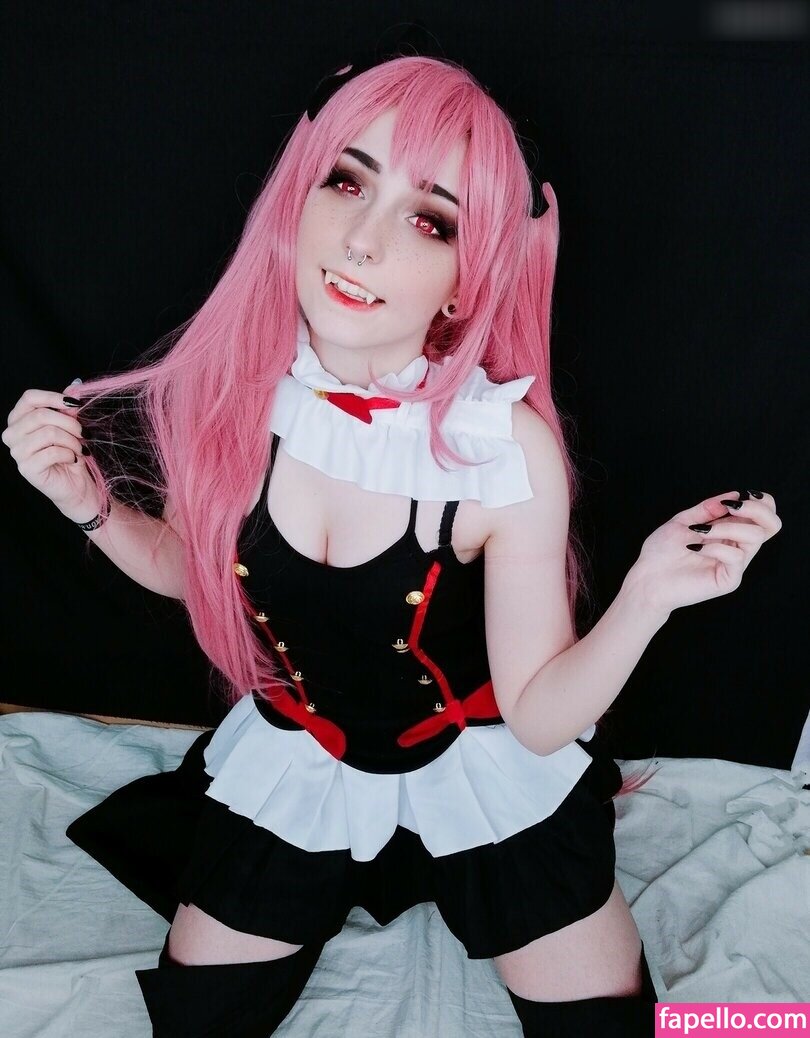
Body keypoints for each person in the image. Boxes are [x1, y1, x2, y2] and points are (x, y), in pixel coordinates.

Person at [2, 54, 781, 1037]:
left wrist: (647, 596)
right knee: (198, 1021)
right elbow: (186, 571)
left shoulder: (504, 451)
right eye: (346, 181)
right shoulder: (238, 392)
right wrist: (86, 502)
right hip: (302, 768)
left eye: (430, 220)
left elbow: (541, 719)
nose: (362, 240)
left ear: (464, 281)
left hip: (482, 777)